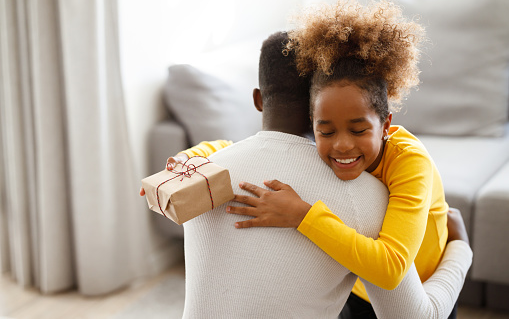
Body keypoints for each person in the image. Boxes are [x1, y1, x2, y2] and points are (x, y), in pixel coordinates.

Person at [143, 31, 471, 318]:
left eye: (357, 129)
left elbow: (389, 268)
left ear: (258, 99)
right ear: (313, 111)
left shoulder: (207, 173)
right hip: (361, 287)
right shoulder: (366, 199)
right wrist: (196, 153)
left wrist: (459, 248)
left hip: (412, 270)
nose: (343, 145)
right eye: (327, 130)